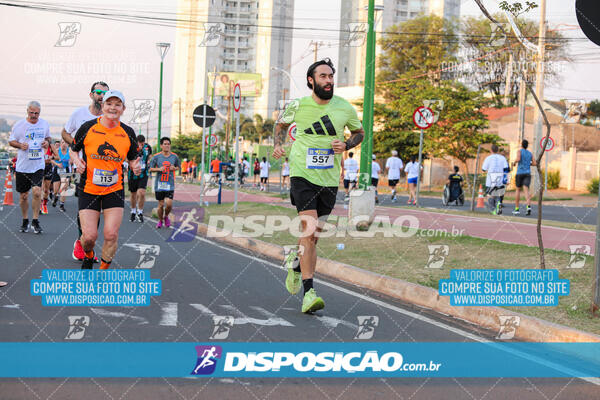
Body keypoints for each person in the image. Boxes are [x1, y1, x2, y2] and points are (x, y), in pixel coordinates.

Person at [272, 58, 364, 313]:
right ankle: (309, 292)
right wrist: (278, 144)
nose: (329, 80)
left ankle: (296, 262)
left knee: (314, 237)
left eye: (331, 76)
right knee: (309, 227)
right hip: (302, 174)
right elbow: (280, 125)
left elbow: (360, 133)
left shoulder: (344, 108)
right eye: (323, 76)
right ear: (311, 80)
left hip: (329, 178)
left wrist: (347, 145)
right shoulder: (298, 106)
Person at [71, 90, 141, 270]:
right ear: (103, 106)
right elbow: (73, 149)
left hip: (114, 189)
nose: (113, 108)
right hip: (89, 189)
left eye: (117, 105)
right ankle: (88, 254)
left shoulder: (128, 132)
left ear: (123, 109)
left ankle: (101, 273)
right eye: (109, 104)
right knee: (89, 237)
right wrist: (77, 160)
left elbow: (133, 158)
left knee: (111, 235)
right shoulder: (88, 127)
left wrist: (135, 165)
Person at [61, 81, 108, 262]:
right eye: (98, 92)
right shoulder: (79, 114)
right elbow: (65, 132)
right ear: (91, 95)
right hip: (84, 169)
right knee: (86, 208)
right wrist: (76, 146)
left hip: (103, 172)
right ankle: (83, 245)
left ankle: (85, 241)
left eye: (105, 93)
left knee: (97, 210)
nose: (101, 95)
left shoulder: (109, 117)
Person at [8, 101, 51, 234]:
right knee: (24, 196)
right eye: (31, 113)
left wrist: (46, 142)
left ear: (40, 113)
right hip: (23, 166)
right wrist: (20, 145)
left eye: (36, 113)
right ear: (27, 111)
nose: (34, 115)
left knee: (37, 192)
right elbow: (11, 141)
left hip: (38, 164)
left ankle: (35, 221)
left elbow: (48, 138)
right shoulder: (19, 125)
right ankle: (25, 219)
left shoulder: (44, 123)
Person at [149, 137, 180, 228]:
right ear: (161, 145)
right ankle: (160, 220)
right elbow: (150, 169)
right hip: (159, 184)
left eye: (168, 144)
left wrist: (174, 168)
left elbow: (178, 167)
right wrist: (159, 169)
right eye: (165, 144)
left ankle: (166, 216)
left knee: (169, 204)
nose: (167, 146)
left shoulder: (174, 156)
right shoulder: (156, 157)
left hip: (170, 184)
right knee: (161, 204)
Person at [128, 134, 152, 223]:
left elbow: (150, 157)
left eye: (142, 144)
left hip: (143, 173)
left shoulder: (147, 147)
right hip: (132, 174)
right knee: (133, 194)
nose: (141, 146)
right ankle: (133, 211)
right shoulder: (131, 147)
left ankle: (140, 212)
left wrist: (149, 161)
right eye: (139, 144)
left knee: (141, 192)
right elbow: (127, 158)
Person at [482, 144, 509, 215]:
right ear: (498, 150)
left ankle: (493, 210)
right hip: (500, 178)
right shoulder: (502, 158)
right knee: (498, 194)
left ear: (491, 150)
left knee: (490, 195)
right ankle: (499, 203)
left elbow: (483, 169)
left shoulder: (488, 158)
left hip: (490, 179)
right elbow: (506, 168)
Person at [512, 139, 535, 216]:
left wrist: (514, 163)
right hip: (527, 173)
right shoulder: (530, 153)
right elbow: (534, 163)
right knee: (526, 190)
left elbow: (518, 159)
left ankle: (517, 209)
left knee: (518, 190)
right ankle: (528, 207)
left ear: (521, 144)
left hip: (520, 173)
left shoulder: (519, 151)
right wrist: (528, 164)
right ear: (527, 145)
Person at [50, 139, 71, 212]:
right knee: (56, 190)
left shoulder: (70, 151)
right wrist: (57, 164)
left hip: (66, 170)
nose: (64, 144)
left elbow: (73, 160)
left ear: (68, 144)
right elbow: (51, 159)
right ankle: (55, 198)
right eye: (62, 142)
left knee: (64, 188)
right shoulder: (56, 150)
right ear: (60, 143)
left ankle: (62, 205)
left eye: (66, 143)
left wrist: (71, 161)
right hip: (57, 170)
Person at [41, 140, 55, 215]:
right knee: (40, 188)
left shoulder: (51, 147)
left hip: (48, 168)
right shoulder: (38, 147)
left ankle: (44, 204)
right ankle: (40, 205)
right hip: (40, 168)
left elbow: (57, 157)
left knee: (46, 190)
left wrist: (51, 157)